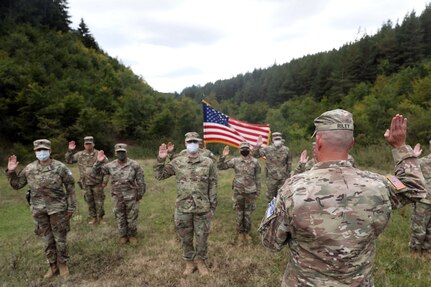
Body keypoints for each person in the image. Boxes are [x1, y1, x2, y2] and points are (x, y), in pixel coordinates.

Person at [259, 110, 426, 286]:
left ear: (318, 141)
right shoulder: (378, 185)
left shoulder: (292, 190)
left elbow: (271, 242)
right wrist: (400, 146)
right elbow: (415, 188)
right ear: (352, 143)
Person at [6, 139, 76, 278]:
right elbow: (17, 185)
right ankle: (52, 266)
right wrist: (11, 172)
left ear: (49, 151)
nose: (41, 152)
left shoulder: (60, 167)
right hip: (39, 210)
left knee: (60, 238)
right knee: (47, 239)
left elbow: (70, 187)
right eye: (38, 150)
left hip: (58, 209)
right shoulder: (29, 168)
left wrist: (71, 207)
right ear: (35, 152)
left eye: (43, 150)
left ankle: (63, 265)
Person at [154, 132, 217, 276]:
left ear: (199, 143)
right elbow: (159, 175)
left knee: (202, 238)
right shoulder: (178, 162)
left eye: (195, 141)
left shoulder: (208, 163)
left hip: (202, 208)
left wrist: (212, 207)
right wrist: (161, 160)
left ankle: (200, 261)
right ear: (185, 143)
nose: (192, 144)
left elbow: (213, 185)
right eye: (190, 142)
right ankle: (189, 262)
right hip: (183, 208)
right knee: (185, 237)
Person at [93, 143, 146, 246]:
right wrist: (98, 162)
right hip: (117, 196)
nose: (121, 154)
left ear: (126, 152)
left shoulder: (134, 165)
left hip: (131, 196)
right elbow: (96, 173)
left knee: (132, 216)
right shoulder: (110, 165)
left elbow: (141, 181)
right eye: (119, 152)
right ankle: (123, 235)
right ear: (115, 153)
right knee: (120, 216)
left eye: (122, 152)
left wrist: (140, 194)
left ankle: (132, 235)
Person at [217, 142, 261, 245]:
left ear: (249, 150)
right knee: (239, 213)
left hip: (251, 192)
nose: (244, 150)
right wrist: (223, 156)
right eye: (242, 148)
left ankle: (247, 233)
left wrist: (258, 191)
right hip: (238, 192)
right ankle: (240, 233)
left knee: (248, 214)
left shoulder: (255, 162)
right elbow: (220, 166)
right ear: (239, 150)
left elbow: (258, 178)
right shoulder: (235, 161)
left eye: (246, 148)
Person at [65, 136, 108, 224]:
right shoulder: (80, 154)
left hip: (97, 182)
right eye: (86, 144)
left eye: (90, 144)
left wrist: (105, 181)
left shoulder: (99, 154)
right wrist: (70, 151)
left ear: (93, 144)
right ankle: (93, 218)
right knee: (89, 201)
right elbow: (68, 161)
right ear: (84, 145)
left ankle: (101, 218)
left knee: (99, 201)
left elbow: (107, 168)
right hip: (85, 183)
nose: (88, 145)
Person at [253, 132, 291, 202]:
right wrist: (257, 146)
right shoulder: (267, 149)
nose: (277, 140)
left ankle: (281, 212)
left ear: (281, 139)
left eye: (278, 139)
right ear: (272, 140)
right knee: (271, 198)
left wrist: (288, 176)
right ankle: (271, 212)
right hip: (271, 178)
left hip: (283, 177)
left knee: (282, 196)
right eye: (275, 139)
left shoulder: (286, 149)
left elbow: (289, 163)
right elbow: (256, 155)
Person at [409, 142, 431, 258]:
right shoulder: (421, 162)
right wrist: (413, 157)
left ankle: (426, 250)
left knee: (430, 229)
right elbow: (408, 171)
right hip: (423, 201)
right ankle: (415, 250)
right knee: (418, 227)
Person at [292, 142, 356, 176]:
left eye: (316, 150)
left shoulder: (330, 162)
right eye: (313, 151)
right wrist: (301, 164)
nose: (314, 153)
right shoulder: (309, 163)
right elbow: (295, 177)